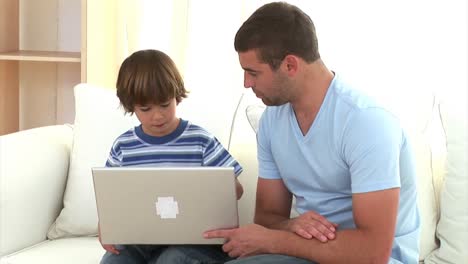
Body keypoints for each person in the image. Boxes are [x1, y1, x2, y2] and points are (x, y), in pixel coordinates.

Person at [204, 2, 420, 263]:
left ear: (290, 65)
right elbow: (267, 218)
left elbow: (372, 252)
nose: (247, 83)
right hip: (307, 253)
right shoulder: (271, 121)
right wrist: (290, 226)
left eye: (253, 73)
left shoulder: (366, 122)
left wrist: (275, 239)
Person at [99, 49, 244, 264]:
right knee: (113, 261)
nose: (157, 115)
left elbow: (237, 191)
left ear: (176, 96)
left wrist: (221, 187)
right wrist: (105, 226)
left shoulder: (200, 140)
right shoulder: (124, 146)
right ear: (132, 106)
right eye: (146, 109)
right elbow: (109, 198)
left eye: (165, 105)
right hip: (140, 240)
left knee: (172, 259)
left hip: (194, 243)